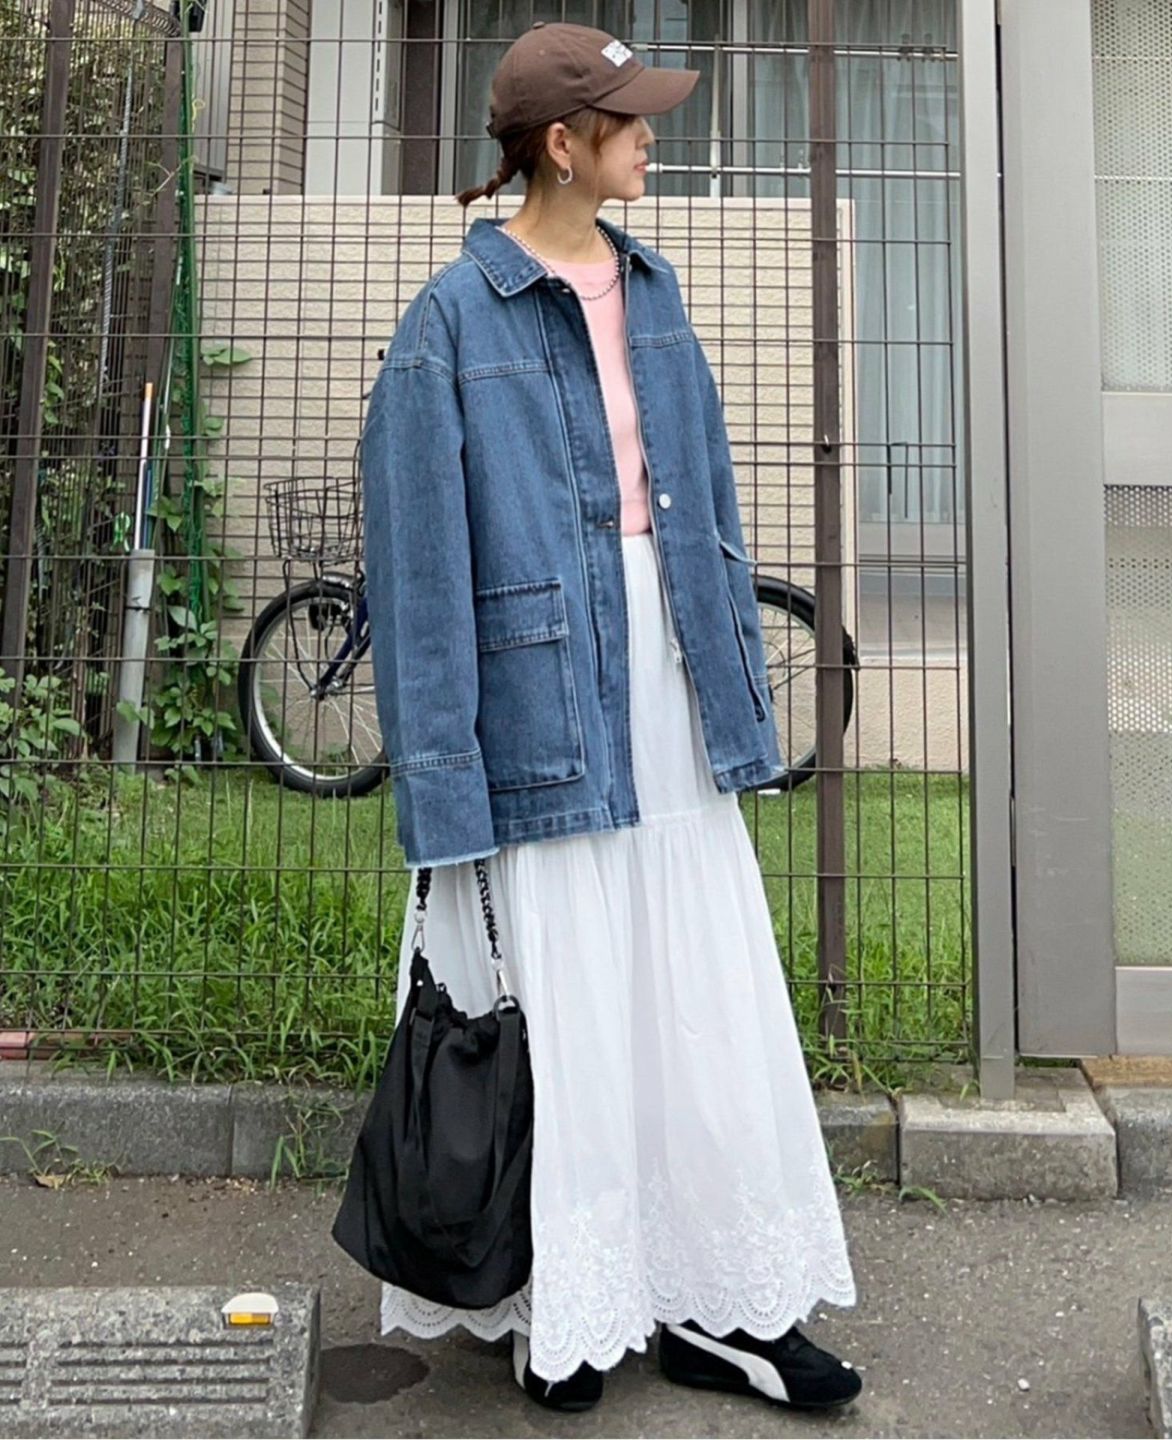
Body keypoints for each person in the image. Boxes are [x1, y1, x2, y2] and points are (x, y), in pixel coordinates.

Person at [360, 19, 861, 1417]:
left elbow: (705, 505)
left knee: (693, 981)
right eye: (629, 121)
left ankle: (722, 1302)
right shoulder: (451, 323)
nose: (651, 138)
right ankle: (562, 1304)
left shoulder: (652, 285)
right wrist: (444, 790)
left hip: (667, 673)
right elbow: (417, 574)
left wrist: (734, 685)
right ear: (561, 146)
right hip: (539, 698)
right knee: (566, 987)